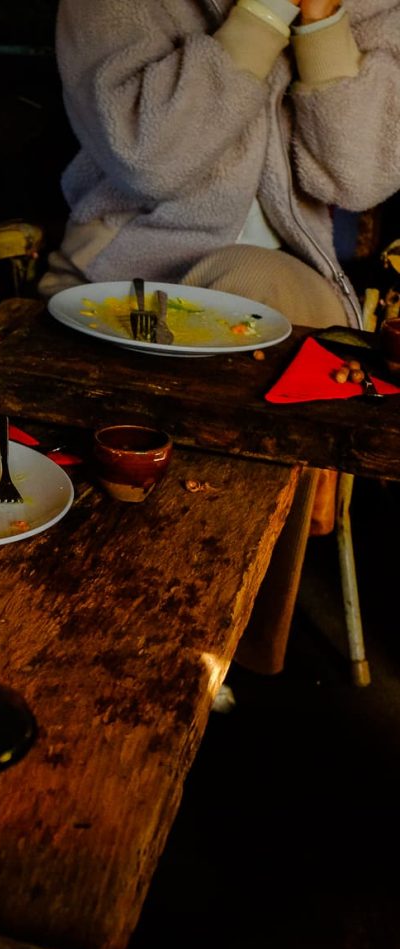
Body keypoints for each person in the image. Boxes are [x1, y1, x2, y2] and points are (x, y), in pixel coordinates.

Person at [41, 0, 400, 673]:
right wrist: (263, 14)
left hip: (299, 286)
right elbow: (150, 157)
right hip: (124, 282)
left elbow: (360, 175)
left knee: (262, 298)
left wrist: (322, 20)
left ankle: (195, 640)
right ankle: (222, 640)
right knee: (257, 320)